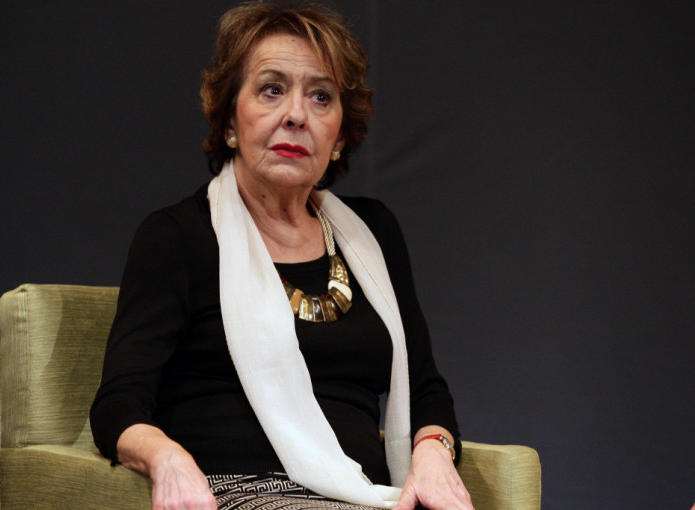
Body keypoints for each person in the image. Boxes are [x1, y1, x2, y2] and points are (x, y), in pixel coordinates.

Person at [90, 3, 473, 509]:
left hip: (365, 495)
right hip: (239, 490)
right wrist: (168, 458)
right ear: (230, 120)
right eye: (271, 89)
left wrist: (432, 454)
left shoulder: (373, 233)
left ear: (339, 135)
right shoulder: (178, 237)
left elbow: (425, 389)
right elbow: (118, 405)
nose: (296, 115)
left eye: (321, 96)